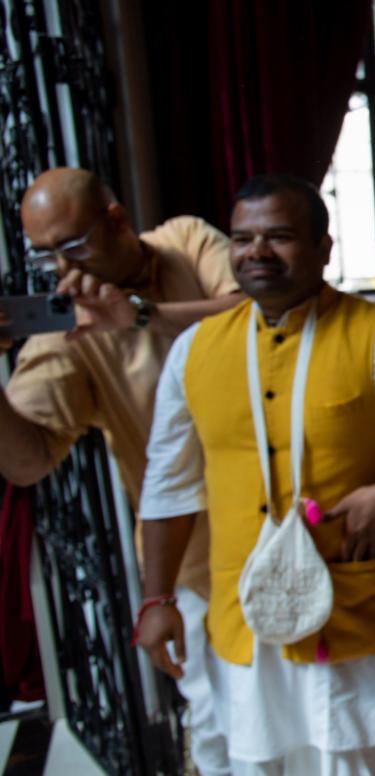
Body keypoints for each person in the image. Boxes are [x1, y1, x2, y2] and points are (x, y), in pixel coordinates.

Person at [134, 174, 375, 774]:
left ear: (322, 248)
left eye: (279, 236)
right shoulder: (194, 350)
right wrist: (156, 598)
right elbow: (168, 483)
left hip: (355, 613)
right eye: (243, 238)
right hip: (243, 617)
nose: (257, 251)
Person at [0, 166, 242, 775]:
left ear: (117, 219)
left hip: (290, 526)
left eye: (73, 245)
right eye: (45, 255)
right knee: (223, 727)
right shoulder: (64, 337)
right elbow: (27, 464)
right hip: (195, 560)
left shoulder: (185, 240)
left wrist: (140, 315)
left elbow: (255, 317)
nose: (61, 267)